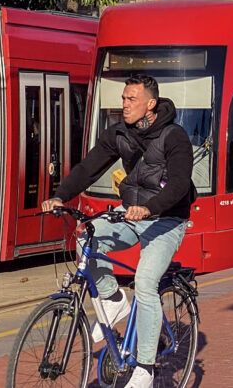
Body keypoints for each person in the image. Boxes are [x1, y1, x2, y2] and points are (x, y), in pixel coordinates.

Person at [42, 74, 193, 388]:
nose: (124, 104)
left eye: (131, 99)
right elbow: (89, 166)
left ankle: (145, 368)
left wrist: (150, 208)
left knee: (145, 282)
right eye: (123, 98)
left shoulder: (174, 136)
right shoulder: (120, 132)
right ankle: (112, 299)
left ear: (150, 104)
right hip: (131, 214)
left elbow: (179, 185)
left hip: (166, 219)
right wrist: (60, 195)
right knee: (87, 238)